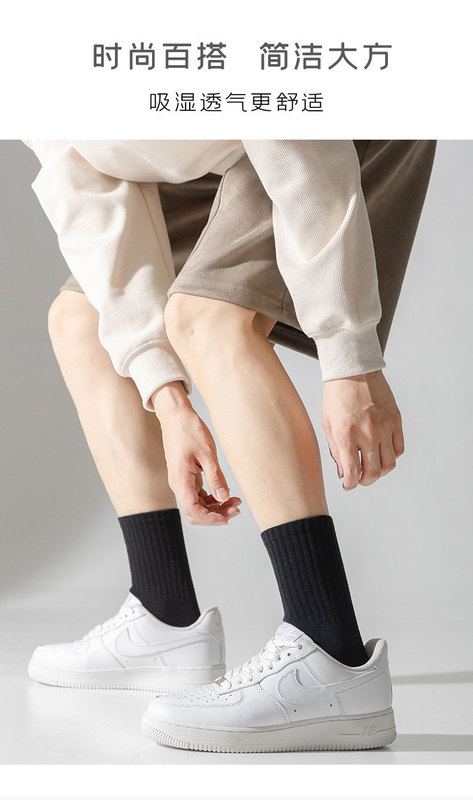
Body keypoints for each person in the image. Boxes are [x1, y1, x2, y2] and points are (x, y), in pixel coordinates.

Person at [25, 139, 436, 750]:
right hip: (216, 151)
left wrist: (349, 358)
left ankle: (330, 650)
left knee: (208, 316)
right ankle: (164, 613)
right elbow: (96, 201)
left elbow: (303, 149)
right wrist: (167, 399)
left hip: (314, 126)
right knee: (81, 318)